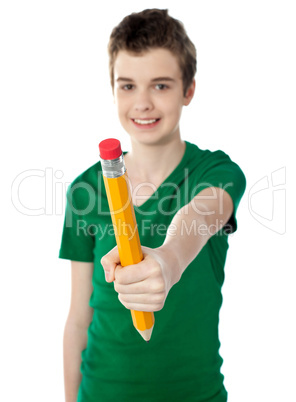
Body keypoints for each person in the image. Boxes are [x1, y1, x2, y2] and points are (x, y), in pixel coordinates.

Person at [59, 8, 246, 402]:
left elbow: (202, 213)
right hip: (100, 394)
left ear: (188, 89)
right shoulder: (85, 190)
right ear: (112, 88)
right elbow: (79, 318)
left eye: (160, 86)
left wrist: (168, 261)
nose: (142, 103)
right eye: (127, 86)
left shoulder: (216, 171)